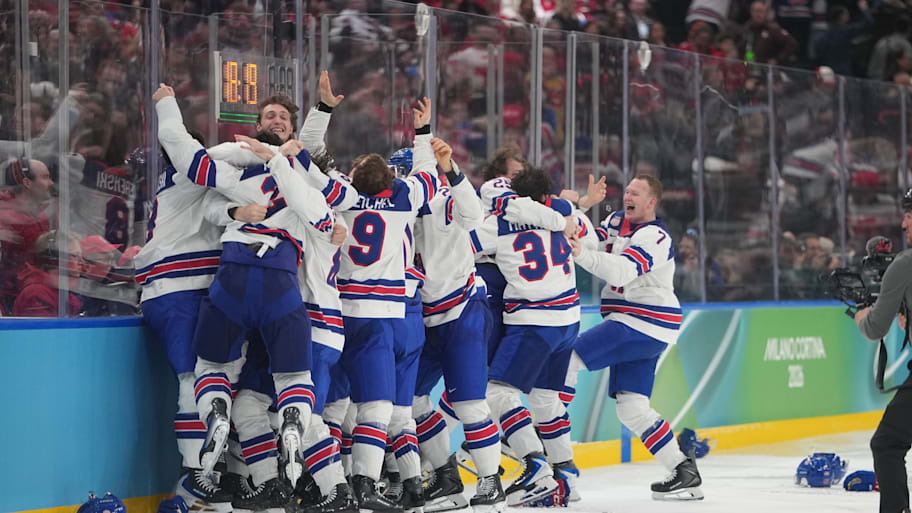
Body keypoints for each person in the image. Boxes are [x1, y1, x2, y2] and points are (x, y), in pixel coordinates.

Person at [153, 84, 335, 501]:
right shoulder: (307, 181)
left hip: (231, 277)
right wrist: (328, 225)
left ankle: (215, 412)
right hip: (281, 285)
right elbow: (325, 213)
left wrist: (165, 102)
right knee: (293, 377)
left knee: (211, 369)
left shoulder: (234, 173)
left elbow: (190, 162)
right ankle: (292, 422)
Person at [568, 175, 704, 501]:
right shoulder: (616, 221)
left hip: (642, 320)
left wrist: (581, 255)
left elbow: (623, 271)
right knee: (632, 408)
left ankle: (544, 450)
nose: (627, 195)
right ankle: (684, 471)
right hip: (636, 323)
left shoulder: (656, 236)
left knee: (564, 361)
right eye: (627, 190)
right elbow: (589, 240)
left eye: (636, 192)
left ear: (651, 202)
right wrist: (576, 208)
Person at [471, 167, 582, 507]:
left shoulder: (497, 223)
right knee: (546, 400)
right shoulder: (563, 211)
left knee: (496, 393)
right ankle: (566, 479)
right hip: (569, 318)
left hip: (534, 320)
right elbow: (577, 226)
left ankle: (534, 464)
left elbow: (462, 248)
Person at [854, 188, 912, 513]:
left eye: (908, 215)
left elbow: (876, 327)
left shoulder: (905, 265)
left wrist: (862, 313)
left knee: (886, 443)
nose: (903, 224)